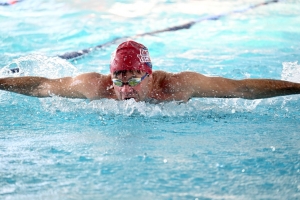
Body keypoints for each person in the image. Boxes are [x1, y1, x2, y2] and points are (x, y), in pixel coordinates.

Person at [0, 40, 300, 103]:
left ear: (150, 75)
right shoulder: (94, 86)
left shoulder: (178, 85)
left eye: (133, 78)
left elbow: (242, 89)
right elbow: (42, 86)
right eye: (119, 79)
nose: (125, 88)